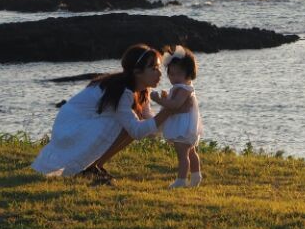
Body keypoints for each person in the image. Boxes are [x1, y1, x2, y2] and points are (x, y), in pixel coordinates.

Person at [32, 44, 188, 182]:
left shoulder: (141, 90)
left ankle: (95, 166)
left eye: (159, 68)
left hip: (85, 123)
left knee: (133, 122)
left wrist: (170, 109)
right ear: (137, 72)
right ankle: (90, 168)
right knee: (126, 125)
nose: (160, 74)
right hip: (70, 128)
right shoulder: (122, 92)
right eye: (153, 69)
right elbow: (138, 131)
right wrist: (169, 109)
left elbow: (151, 129)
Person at [153, 45, 204, 188]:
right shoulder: (182, 87)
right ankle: (196, 176)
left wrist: (158, 100)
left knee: (183, 155)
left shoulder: (183, 89)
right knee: (191, 151)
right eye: (171, 74)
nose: (174, 78)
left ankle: (181, 180)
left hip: (182, 127)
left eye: (179, 74)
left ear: (189, 74)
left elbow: (175, 105)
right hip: (186, 126)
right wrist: (166, 97)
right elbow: (174, 104)